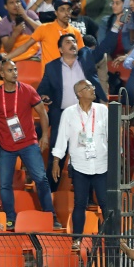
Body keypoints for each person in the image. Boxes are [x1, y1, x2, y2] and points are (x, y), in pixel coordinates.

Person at [0, 60, 59, 230]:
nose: (14, 73)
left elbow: (42, 113)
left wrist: (45, 135)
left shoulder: (28, 90)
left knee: (41, 178)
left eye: (15, 69)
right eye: (10, 70)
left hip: (28, 143)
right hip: (6, 146)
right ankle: (10, 218)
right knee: (4, 184)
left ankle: (50, 215)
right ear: (2, 74)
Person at [38, 27, 119, 189]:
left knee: (88, 156)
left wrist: (116, 26)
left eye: (74, 41)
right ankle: (50, 195)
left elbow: (104, 46)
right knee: (56, 157)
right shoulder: (51, 67)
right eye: (68, 42)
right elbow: (42, 89)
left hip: (86, 116)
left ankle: (88, 197)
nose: (73, 44)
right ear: (60, 49)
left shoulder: (86, 58)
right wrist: (44, 96)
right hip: (61, 117)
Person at [52, 79, 108, 249]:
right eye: (88, 87)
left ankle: (112, 237)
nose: (93, 89)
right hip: (80, 166)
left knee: (106, 204)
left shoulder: (103, 110)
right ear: (79, 93)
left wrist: (116, 156)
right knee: (79, 204)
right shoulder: (68, 113)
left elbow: (111, 135)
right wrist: (56, 161)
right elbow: (62, 139)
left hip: (102, 164)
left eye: (92, 86)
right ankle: (77, 239)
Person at [7, 0, 85, 66]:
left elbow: (82, 55)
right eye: (62, 10)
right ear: (56, 13)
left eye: (69, 10)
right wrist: (5, 58)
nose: (67, 13)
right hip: (49, 77)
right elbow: (25, 46)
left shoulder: (76, 32)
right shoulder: (44, 28)